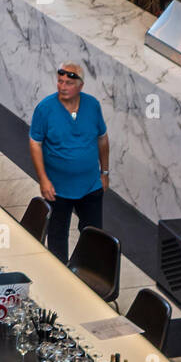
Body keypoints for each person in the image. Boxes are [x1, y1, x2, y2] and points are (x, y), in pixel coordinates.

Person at [28, 60, 109, 262]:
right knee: (57, 234)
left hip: (90, 185)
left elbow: (102, 139)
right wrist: (43, 179)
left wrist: (105, 172)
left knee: (92, 234)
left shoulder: (92, 106)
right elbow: (35, 143)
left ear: (80, 85)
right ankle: (60, 272)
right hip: (58, 188)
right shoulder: (45, 109)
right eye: (60, 81)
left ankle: (87, 272)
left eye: (68, 83)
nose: (63, 86)